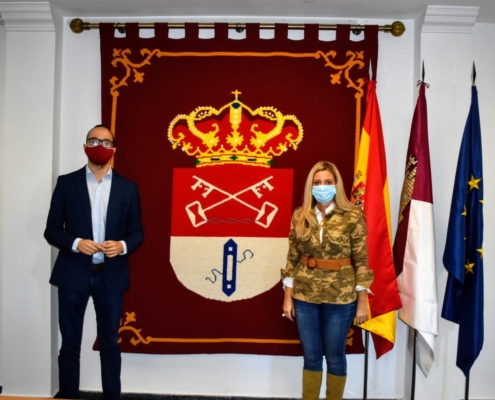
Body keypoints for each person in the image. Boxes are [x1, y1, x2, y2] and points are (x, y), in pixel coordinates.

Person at [44, 125, 144, 399]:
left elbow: (138, 234)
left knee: (110, 343)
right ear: (85, 145)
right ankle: (68, 395)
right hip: (72, 275)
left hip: (110, 277)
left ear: (114, 148)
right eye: (94, 140)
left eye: (106, 141)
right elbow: (51, 230)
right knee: (70, 345)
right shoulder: (67, 183)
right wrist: (77, 243)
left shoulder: (128, 188)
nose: (100, 144)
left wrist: (121, 246)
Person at [281, 161, 373, 400]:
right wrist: (287, 297)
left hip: (340, 296)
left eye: (328, 183)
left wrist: (362, 301)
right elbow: (292, 258)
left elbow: (361, 259)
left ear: (337, 185)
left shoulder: (352, 216)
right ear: (311, 186)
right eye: (318, 183)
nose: (323, 187)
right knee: (311, 355)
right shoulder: (300, 215)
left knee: (335, 355)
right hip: (304, 295)